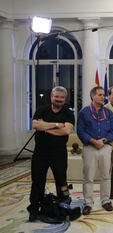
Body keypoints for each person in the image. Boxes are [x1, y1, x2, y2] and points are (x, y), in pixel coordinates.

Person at [28, 86, 75, 221]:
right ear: (51, 97)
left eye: (62, 97)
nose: (59, 99)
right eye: (56, 97)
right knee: (38, 181)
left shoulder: (68, 113)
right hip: (40, 153)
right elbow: (36, 125)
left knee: (62, 181)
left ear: (65, 99)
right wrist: (56, 125)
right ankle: (34, 209)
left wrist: (46, 127)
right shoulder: (41, 110)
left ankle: (64, 206)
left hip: (59, 153)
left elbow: (66, 131)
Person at [77, 86, 113, 215]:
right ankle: (88, 203)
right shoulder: (84, 112)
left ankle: (105, 201)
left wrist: (104, 141)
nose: (103, 97)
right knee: (88, 177)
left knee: (106, 176)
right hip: (90, 147)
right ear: (93, 96)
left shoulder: (109, 112)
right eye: (100, 95)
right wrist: (94, 141)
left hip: (105, 147)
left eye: (103, 95)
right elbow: (80, 131)